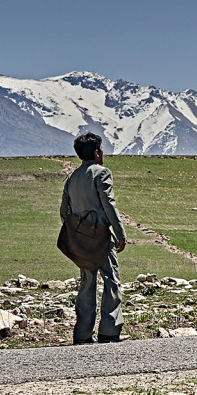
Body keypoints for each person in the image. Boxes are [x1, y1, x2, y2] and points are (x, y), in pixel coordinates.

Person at [61, 132, 127, 343]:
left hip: (81, 241)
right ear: (97, 151)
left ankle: (82, 334)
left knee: (87, 283)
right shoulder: (102, 173)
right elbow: (109, 205)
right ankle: (109, 331)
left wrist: (77, 233)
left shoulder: (72, 177)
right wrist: (120, 232)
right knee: (111, 281)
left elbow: (64, 211)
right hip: (100, 237)